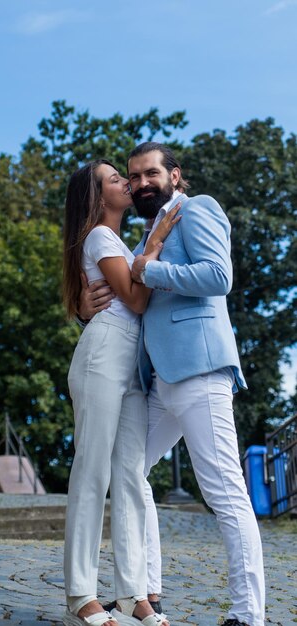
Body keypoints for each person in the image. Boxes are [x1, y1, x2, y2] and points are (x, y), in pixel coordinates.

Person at [78, 143, 265, 626]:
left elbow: (218, 276)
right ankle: (147, 591)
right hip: (158, 381)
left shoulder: (197, 209)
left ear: (175, 175)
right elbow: (126, 297)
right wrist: (85, 303)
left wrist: (149, 268)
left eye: (150, 174)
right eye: (133, 176)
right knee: (131, 475)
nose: (140, 182)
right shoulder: (144, 236)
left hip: (200, 370)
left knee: (224, 492)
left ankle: (249, 614)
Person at [63, 158, 180, 626]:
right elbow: (134, 298)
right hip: (101, 359)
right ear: (97, 196)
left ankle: (133, 595)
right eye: (116, 179)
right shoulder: (99, 236)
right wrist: (152, 246)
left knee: (131, 475)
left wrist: (141, 256)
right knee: (92, 471)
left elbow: (129, 294)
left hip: (129, 365)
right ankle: (80, 594)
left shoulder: (116, 242)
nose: (128, 185)